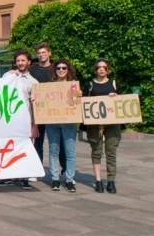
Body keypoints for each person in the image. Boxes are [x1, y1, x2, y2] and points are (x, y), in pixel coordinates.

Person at [0, 50, 39, 190]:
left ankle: (24, 178)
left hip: (25, 121)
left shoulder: (34, 82)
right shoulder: (8, 76)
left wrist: (35, 125)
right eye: (18, 61)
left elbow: (35, 106)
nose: (20, 63)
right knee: (8, 147)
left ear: (29, 62)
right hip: (9, 121)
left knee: (25, 149)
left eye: (23, 60)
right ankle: (8, 176)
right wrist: (9, 75)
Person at [29, 42, 66, 172]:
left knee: (58, 141)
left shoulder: (57, 68)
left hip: (54, 112)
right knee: (37, 141)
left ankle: (65, 167)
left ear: (49, 53)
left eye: (44, 52)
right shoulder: (32, 70)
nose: (41, 55)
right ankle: (37, 169)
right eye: (39, 53)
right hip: (38, 110)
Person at [86, 58, 121, 194]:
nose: (101, 69)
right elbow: (83, 101)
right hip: (95, 124)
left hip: (112, 124)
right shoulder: (89, 85)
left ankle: (111, 180)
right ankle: (98, 180)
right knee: (96, 151)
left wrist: (116, 96)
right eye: (99, 67)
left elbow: (122, 102)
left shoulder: (114, 83)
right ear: (95, 70)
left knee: (111, 152)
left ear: (108, 70)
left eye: (104, 67)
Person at [46, 58, 80, 192]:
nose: (61, 70)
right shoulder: (49, 86)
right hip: (52, 122)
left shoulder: (73, 85)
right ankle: (55, 178)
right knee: (54, 151)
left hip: (69, 123)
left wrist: (79, 96)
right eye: (58, 68)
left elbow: (76, 104)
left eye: (64, 68)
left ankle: (69, 179)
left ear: (68, 70)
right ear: (55, 70)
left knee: (69, 152)